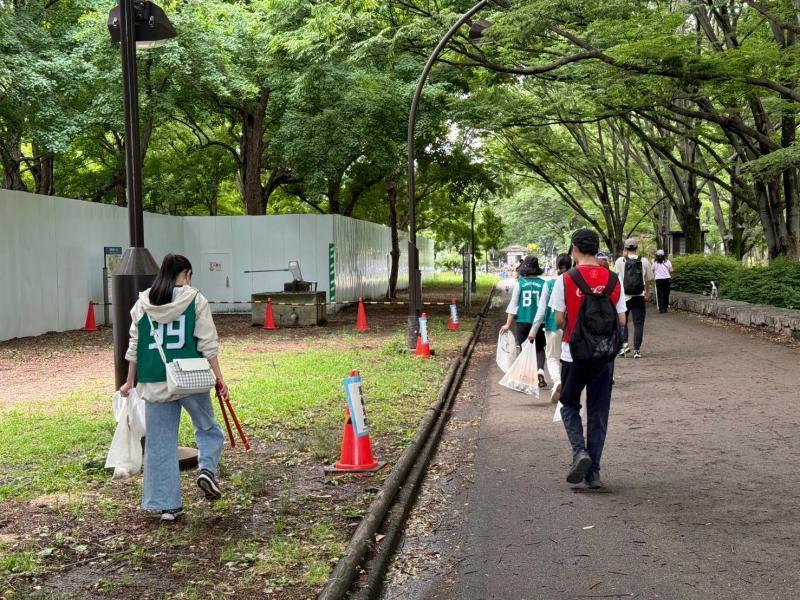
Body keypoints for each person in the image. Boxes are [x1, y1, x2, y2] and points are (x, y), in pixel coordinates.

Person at [120, 254, 228, 522]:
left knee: (160, 444)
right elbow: (207, 343)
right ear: (187, 274)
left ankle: (168, 506)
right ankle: (207, 471)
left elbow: (134, 346)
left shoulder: (143, 304)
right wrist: (218, 377)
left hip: (154, 380)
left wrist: (129, 380)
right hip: (190, 378)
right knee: (208, 428)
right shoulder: (195, 299)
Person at [549, 229, 626, 488]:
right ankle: (593, 473)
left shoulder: (566, 279)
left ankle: (579, 451)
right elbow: (622, 319)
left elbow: (559, 318)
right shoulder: (614, 280)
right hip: (604, 356)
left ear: (574, 249)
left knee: (569, 404)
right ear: (596, 248)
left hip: (574, 353)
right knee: (598, 412)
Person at [529, 253, 573, 404]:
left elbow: (541, 311)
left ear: (556, 267)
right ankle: (567, 385)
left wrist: (533, 331)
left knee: (552, 357)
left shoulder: (549, 285)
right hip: (571, 327)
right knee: (568, 357)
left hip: (553, 326)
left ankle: (557, 380)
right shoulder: (575, 282)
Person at [500, 256, 548, 388]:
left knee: (524, 349)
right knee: (539, 349)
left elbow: (514, 305)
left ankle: (527, 375)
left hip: (522, 321)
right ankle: (540, 372)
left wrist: (508, 324)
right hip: (539, 322)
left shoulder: (519, 284)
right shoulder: (544, 284)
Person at [614, 239, 654, 359]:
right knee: (638, 323)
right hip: (639, 296)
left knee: (622, 322)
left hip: (623, 297)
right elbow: (648, 279)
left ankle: (624, 346)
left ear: (625, 248)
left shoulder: (619, 261)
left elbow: (616, 279)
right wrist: (646, 292)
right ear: (637, 248)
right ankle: (637, 350)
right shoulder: (644, 261)